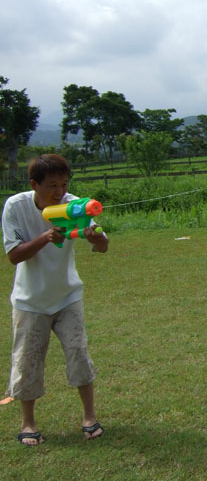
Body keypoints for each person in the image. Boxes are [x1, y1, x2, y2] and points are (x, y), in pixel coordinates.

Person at [2, 154, 108, 445]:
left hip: (68, 296)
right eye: (52, 185)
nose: (59, 192)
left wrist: (96, 238)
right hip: (30, 301)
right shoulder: (16, 206)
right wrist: (45, 237)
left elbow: (103, 246)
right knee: (27, 362)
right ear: (34, 184)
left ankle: (89, 417)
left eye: (63, 184)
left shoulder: (73, 204)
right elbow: (14, 255)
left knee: (78, 353)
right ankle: (27, 424)